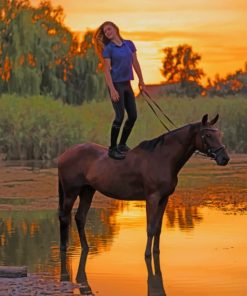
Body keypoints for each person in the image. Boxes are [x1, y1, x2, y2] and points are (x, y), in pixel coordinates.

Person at [94, 21, 148, 160]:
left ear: (115, 28)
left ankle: (122, 144)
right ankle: (113, 148)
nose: (107, 32)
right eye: (105, 31)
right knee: (119, 117)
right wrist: (112, 90)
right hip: (116, 85)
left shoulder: (129, 44)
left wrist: (141, 82)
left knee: (133, 116)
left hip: (127, 84)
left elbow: (135, 63)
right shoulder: (109, 49)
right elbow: (106, 70)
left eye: (109, 29)